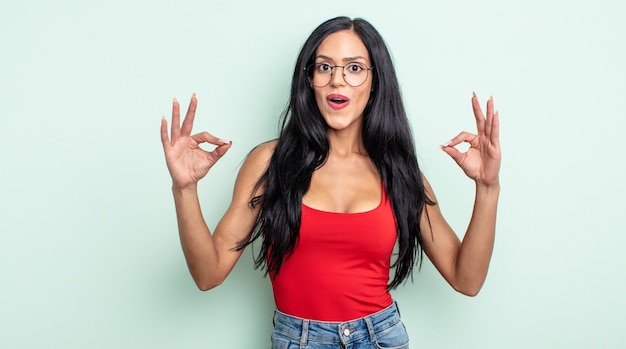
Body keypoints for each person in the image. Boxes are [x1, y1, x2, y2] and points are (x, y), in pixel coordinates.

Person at [160, 16, 500, 349]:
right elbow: (208, 274)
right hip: (298, 338)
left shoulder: (400, 174)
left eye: (354, 68)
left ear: (375, 81)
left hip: (380, 337)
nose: (338, 80)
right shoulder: (270, 163)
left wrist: (487, 187)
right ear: (309, 79)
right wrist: (184, 189)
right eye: (325, 67)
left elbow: (466, 279)